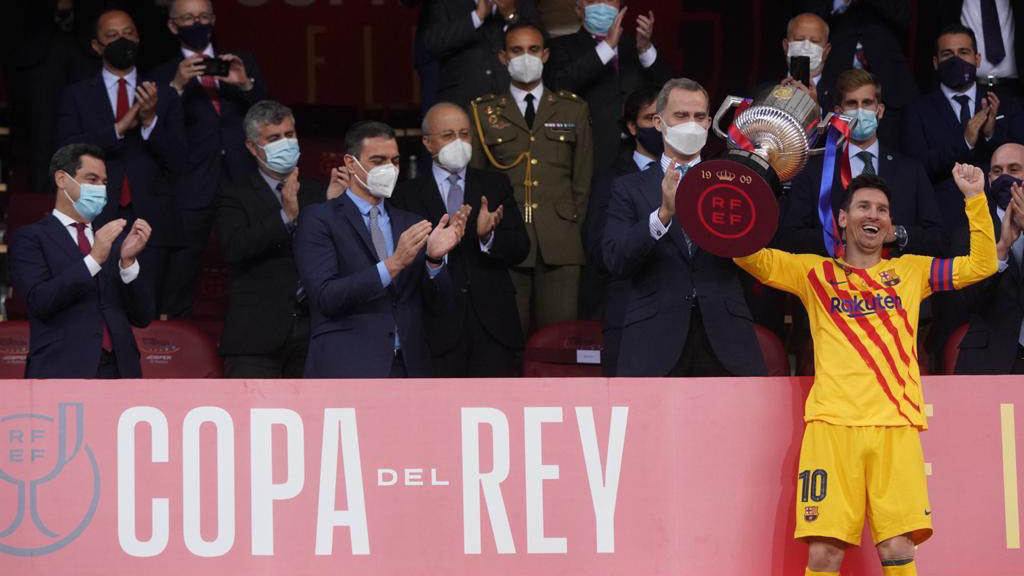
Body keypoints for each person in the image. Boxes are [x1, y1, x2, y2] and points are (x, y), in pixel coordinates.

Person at [734, 167, 997, 576]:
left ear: (890, 224)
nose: (873, 214)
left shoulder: (912, 272)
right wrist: (738, 189)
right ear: (842, 218)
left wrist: (975, 198)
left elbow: (982, 264)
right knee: (824, 553)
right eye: (863, 207)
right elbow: (749, 256)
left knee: (897, 547)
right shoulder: (814, 274)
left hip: (895, 426)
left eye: (882, 209)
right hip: (831, 428)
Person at [601, 78, 766, 377]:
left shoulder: (734, 180)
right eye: (681, 116)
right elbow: (616, 259)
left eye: (699, 116)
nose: (691, 124)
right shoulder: (628, 188)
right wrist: (662, 214)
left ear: (709, 123)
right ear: (659, 122)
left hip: (726, 339)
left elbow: (760, 248)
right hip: (654, 341)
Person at [294, 121, 468, 379]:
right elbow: (325, 297)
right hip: (347, 366)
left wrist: (434, 260)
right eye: (378, 160)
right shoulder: (320, 218)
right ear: (351, 164)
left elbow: (438, 306)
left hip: (408, 367)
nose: (389, 168)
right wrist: (393, 264)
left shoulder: (411, 223)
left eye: (394, 161)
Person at [56, 8, 188, 314]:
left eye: (128, 33)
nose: (122, 41)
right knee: (96, 307)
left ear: (138, 38)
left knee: (147, 311)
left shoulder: (164, 94)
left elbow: (180, 160)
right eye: (112, 36)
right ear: (96, 46)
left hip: (151, 219)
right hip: (96, 215)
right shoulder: (76, 95)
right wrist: (120, 126)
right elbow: (67, 151)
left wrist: (150, 121)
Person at [471, 23, 593, 334]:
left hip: (560, 241)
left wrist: (569, 226)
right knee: (509, 336)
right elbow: (477, 180)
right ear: (503, 57)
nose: (526, 57)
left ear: (546, 55)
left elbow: (582, 181)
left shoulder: (572, 109)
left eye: (533, 49)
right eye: (517, 50)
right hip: (506, 239)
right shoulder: (483, 112)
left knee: (559, 341)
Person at [391, 102, 530, 377]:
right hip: (435, 328)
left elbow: (520, 247)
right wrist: (433, 254)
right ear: (428, 143)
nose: (459, 142)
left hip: (493, 325)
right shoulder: (405, 195)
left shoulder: (495, 184)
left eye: (464, 134)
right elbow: (404, 263)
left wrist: (487, 236)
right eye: (448, 135)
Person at [150, 0, 269, 318]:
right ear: (172, 25)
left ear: (214, 20)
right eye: (188, 18)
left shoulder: (240, 63)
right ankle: (176, 334)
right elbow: (153, 133)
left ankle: (255, 326)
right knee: (183, 263)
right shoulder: (161, 74)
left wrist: (245, 85)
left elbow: (269, 118)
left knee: (252, 257)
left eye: (203, 16)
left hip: (241, 177)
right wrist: (176, 88)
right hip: (191, 182)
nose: (197, 23)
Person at [10, 143, 155, 378]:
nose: (100, 188)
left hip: (119, 370)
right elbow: (39, 301)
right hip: (62, 370)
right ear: (61, 179)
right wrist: (93, 259)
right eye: (91, 179)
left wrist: (128, 264)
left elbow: (142, 317)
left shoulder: (113, 240)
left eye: (104, 182)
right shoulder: (31, 238)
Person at [216, 101, 334, 379]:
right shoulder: (233, 194)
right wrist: (286, 216)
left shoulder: (319, 192)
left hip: (313, 332)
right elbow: (235, 248)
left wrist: (336, 209)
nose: (285, 143)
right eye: (274, 138)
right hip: (255, 337)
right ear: (252, 147)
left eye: (289, 135)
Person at [779, 69, 943, 258]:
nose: (860, 111)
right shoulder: (813, 169)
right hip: (831, 272)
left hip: (894, 274)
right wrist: (841, 236)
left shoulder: (911, 170)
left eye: (867, 103)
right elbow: (791, 236)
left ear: (879, 110)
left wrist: (897, 234)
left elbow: (937, 238)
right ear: (839, 113)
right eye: (852, 103)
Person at [581, 84, 660, 374]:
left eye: (664, 119)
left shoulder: (691, 176)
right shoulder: (611, 181)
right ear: (631, 126)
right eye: (650, 118)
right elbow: (601, 250)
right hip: (628, 309)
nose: (659, 127)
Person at [545, 0, 671, 170]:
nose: (602, 4)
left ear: (620, 7)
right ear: (579, 10)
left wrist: (645, 49)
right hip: (591, 151)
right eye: (593, 0)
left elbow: (669, 89)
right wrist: (607, 46)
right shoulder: (561, 45)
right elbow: (560, 85)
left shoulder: (636, 44)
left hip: (639, 151)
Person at [804, 0, 918, 149]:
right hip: (835, 74)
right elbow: (808, 15)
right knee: (831, 145)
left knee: (889, 148)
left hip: (888, 81)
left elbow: (903, 15)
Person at [956, 142, 1024, 374]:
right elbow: (969, 299)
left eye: (1014, 169)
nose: (1004, 177)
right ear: (989, 178)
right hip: (988, 359)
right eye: (997, 171)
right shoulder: (970, 229)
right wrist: (1002, 248)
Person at [420, 0, 543, 108]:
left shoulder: (521, 2)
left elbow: (540, 43)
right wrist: (477, 17)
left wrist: (510, 15)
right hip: (462, 99)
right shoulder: (444, 2)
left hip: (513, 98)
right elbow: (433, 43)